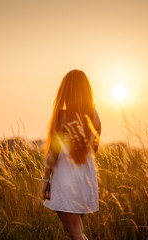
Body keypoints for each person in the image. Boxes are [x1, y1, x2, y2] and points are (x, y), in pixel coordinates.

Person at [41, 69, 101, 240]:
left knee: (75, 233)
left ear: (65, 90)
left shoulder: (61, 117)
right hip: (85, 183)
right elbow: (94, 150)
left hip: (65, 182)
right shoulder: (94, 117)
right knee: (72, 232)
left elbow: (53, 153)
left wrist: (45, 181)